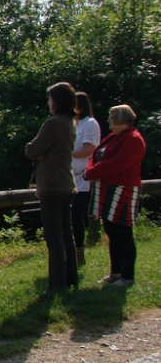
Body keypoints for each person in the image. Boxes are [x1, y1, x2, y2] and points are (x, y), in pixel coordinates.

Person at [85, 104, 146, 287]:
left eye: (111, 118)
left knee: (123, 233)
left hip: (123, 188)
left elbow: (118, 163)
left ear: (120, 119)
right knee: (111, 230)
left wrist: (92, 172)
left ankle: (128, 276)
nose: (109, 122)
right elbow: (95, 157)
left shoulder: (134, 139)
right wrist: (91, 170)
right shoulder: (114, 137)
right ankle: (115, 272)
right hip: (107, 188)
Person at [25, 82, 78, 292]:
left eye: (50, 98)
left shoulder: (53, 123)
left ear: (56, 100)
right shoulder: (70, 122)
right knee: (66, 235)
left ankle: (57, 283)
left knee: (54, 236)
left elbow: (32, 150)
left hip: (52, 186)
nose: (48, 102)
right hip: (66, 183)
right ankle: (70, 277)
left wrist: (30, 147)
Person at [71, 91, 101, 266]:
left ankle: (79, 250)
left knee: (76, 216)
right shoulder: (71, 124)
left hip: (82, 178)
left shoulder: (89, 124)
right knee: (68, 216)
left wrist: (65, 153)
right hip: (68, 177)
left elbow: (88, 150)